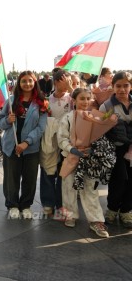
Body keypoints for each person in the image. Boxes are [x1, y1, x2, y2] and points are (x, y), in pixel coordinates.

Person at [57, 87, 109, 238]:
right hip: (71, 158)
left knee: (90, 189)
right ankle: (69, 214)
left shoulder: (95, 117)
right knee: (69, 187)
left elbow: (99, 137)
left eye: (88, 98)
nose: (86, 102)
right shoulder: (67, 118)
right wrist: (72, 149)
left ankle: (96, 220)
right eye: (82, 98)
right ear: (74, 101)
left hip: (89, 160)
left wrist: (94, 148)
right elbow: (61, 138)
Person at [0, 71, 48, 219]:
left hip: (30, 148)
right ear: (19, 83)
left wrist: (27, 143)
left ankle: (26, 205)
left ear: (35, 83)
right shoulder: (11, 101)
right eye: (24, 81)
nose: (27, 84)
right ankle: (12, 204)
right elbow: (0, 123)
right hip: (10, 147)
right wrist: (8, 120)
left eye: (30, 81)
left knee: (30, 178)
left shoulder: (41, 103)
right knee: (11, 178)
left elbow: (41, 127)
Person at [99, 71, 132, 228]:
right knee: (118, 181)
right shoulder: (107, 106)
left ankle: (126, 211)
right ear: (112, 87)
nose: (122, 90)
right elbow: (99, 130)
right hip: (115, 151)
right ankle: (112, 209)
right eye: (118, 86)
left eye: (126, 85)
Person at [39, 69, 73, 215]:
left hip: (67, 142)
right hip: (50, 142)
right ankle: (48, 202)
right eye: (67, 80)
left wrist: (71, 89)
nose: (69, 83)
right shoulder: (46, 100)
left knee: (63, 173)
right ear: (57, 81)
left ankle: (61, 203)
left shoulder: (73, 98)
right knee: (47, 171)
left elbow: (86, 105)